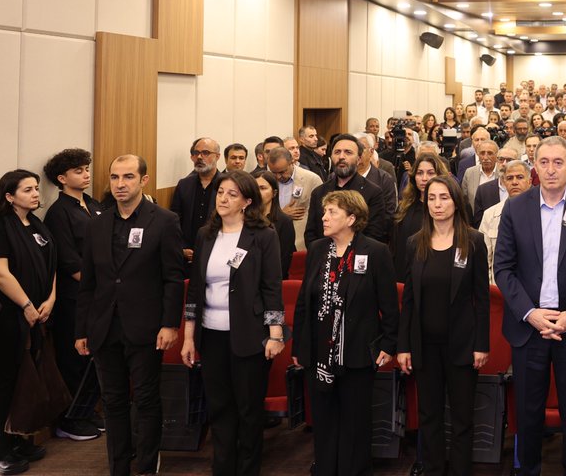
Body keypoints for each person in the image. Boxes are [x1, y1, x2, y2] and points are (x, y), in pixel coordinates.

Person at [493, 137, 566, 476]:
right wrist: (531, 314)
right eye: (544, 162)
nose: (551, 169)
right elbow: (503, 268)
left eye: (559, 162)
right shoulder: (516, 207)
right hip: (529, 327)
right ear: (535, 166)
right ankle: (528, 470)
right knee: (528, 412)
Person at [76, 155, 186, 476]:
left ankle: (147, 467)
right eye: (114, 177)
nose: (120, 184)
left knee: (147, 400)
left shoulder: (164, 221)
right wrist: (81, 330)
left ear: (143, 180)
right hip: (104, 327)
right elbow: (89, 283)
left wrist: (169, 324)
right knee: (113, 402)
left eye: (128, 177)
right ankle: (118, 468)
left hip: (146, 327)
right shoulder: (96, 224)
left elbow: (173, 277)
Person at [179, 170, 284, 476]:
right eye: (221, 192)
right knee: (220, 408)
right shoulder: (206, 235)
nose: (223, 199)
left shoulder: (263, 236)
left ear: (247, 202)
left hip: (249, 335)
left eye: (232, 194)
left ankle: (249, 469)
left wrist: (275, 334)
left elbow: (272, 289)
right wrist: (189, 337)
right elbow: (195, 290)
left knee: (248, 411)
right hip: (211, 334)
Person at [293, 190, 399, 476]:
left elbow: (389, 306)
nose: (324, 217)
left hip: (357, 352)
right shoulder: (317, 249)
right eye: (324, 211)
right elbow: (304, 302)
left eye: (332, 212)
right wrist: (299, 347)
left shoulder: (375, 252)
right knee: (324, 420)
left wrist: (389, 343)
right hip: (319, 353)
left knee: (355, 422)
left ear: (351, 218)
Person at [397, 176, 489, 476]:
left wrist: (481, 344)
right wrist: (404, 346)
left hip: (462, 344)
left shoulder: (473, 241)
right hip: (425, 345)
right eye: (432, 198)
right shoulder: (415, 243)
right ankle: (433, 469)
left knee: (462, 418)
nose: (437, 204)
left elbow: (482, 299)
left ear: (456, 201)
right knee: (429, 416)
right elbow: (408, 299)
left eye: (444, 197)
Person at [0, 170, 59, 473]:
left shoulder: (37, 225)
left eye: (36, 188)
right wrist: (26, 305)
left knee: (24, 381)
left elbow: (52, 266)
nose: (36, 193)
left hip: (38, 314)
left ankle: (16, 439)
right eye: (27, 190)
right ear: (9, 196)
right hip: (8, 317)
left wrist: (51, 299)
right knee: (1, 384)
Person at [41, 148, 104, 441]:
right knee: (72, 357)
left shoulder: (93, 204)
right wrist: (96, 284)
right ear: (62, 178)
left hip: (100, 290)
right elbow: (67, 259)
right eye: (78, 171)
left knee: (93, 355)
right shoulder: (58, 212)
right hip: (74, 295)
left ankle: (87, 411)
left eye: (86, 169)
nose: (86, 174)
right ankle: (70, 420)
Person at [303, 134, 393, 248]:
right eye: (337, 152)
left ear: (358, 159)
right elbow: (311, 234)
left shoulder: (373, 192)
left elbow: (374, 235)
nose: (341, 157)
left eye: (348, 152)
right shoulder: (319, 192)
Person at [391, 154, 451, 284]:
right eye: (419, 173)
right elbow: (396, 247)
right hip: (405, 275)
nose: (424, 178)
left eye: (430, 173)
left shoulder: (449, 207)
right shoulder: (404, 207)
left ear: (440, 175)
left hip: (438, 276)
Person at [480, 161, 532, 284]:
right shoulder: (490, 214)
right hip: (498, 288)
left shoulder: (542, 213)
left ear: (529, 182)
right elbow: (483, 260)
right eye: (509, 178)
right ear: (504, 182)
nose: (514, 182)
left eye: (520, 177)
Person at [171, 137, 222, 260]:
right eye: (196, 153)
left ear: (217, 156)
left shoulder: (226, 185)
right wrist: (181, 248)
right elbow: (175, 219)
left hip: (216, 251)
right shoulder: (184, 184)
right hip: (186, 251)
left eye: (205, 153)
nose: (199, 157)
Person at [253, 170, 295, 276]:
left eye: (263, 188)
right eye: (255, 188)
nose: (258, 192)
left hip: (273, 277)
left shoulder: (284, 221)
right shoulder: (245, 218)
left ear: (274, 193)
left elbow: (284, 260)